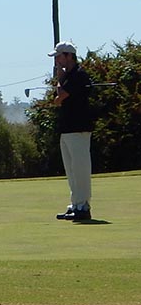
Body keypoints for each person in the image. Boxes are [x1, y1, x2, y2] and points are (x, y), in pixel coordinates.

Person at [48, 41, 95, 222]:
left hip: (79, 128)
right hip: (67, 129)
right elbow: (56, 100)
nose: (57, 61)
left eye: (59, 56)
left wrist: (60, 78)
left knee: (80, 168)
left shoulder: (78, 75)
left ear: (68, 56)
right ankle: (75, 203)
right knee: (71, 169)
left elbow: (61, 97)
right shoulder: (68, 77)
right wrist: (61, 79)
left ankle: (83, 206)